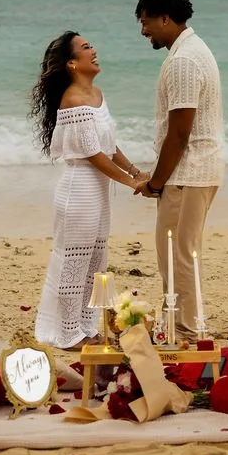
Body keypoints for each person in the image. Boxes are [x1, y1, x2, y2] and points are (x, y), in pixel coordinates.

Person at [30, 31, 148, 350]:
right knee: (75, 261)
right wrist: (132, 183)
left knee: (97, 261)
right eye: (85, 47)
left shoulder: (97, 94)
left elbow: (108, 146)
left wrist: (137, 171)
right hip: (79, 190)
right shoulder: (74, 99)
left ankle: (86, 326)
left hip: (99, 191)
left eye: (92, 45)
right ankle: (68, 334)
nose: (94, 50)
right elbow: (92, 155)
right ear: (71, 63)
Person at [132, 0, 225, 342]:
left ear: (166, 19)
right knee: (178, 254)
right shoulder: (189, 51)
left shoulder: (185, 61)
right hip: (194, 171)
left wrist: (156, 182)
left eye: (146, 22)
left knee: (177, 255)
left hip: (189, 173)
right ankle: (179, 325)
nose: (143, 31)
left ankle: (186, 331)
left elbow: (180, 133)